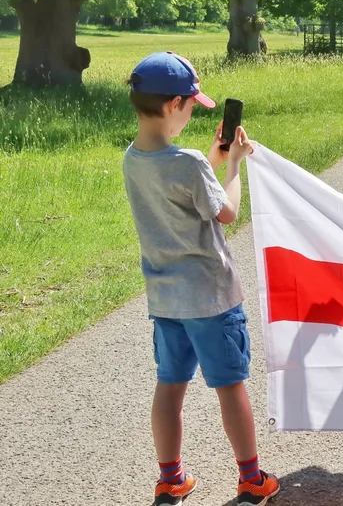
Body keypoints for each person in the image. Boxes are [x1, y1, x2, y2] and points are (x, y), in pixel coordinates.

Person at [122, 51, 280, 506]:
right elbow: (226, 212)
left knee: (170, 385)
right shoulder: (189, 162)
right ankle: (251, 479)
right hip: (211, 298)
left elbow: (184, 192)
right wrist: (232, 166)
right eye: (191, 105)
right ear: (174, 105)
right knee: (229, 385)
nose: (192, 112)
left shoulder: (133, 158)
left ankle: (170, 479)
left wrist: (210, 159)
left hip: (166, 299)